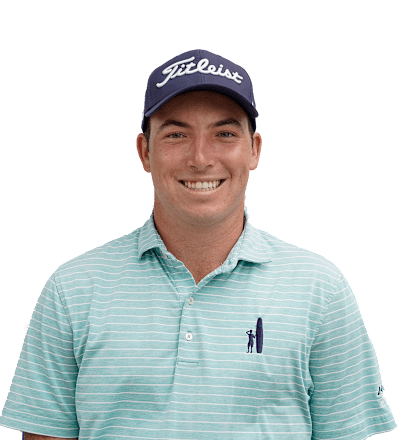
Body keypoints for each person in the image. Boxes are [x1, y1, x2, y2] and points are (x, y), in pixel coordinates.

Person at [0, 49, 397, 440]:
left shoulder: (320, 288)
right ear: (145, 152)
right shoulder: (72, 289)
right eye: (176, 134)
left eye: (225, 134)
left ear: (254, 149)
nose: (201, 158)